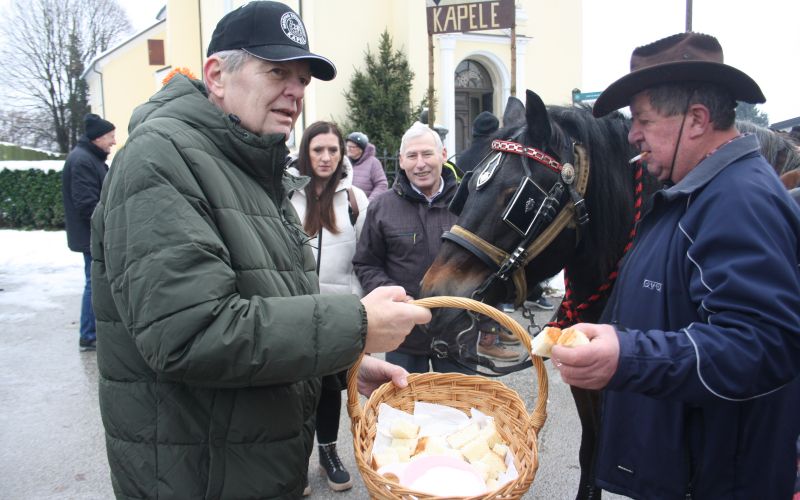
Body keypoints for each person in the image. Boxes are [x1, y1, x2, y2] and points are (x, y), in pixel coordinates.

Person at [89, 2, 431, 498]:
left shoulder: (250, 166)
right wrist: (355, 325)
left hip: (254, 466)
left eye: (302, 79)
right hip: (201, 478)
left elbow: (275, 306)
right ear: (217, 75)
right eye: (276, 72)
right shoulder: (158, 159)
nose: (295, 91)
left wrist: (345, 362)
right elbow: (190, 333)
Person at [553, 32, 800, 498]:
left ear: (698, 119)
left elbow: (762, 344)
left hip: (715, 482)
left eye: (643, 119)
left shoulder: (737, 200)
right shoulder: (700, 193)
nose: (632, 135)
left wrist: (627, 355)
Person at [287, 121, 368, 492]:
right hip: (295, 311)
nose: (325, 157)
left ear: (342, 154)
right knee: (299, 389)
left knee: (330, 387)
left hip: (338, 312)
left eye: (332, 150)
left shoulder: (355, 200)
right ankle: (297, 459)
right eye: (318, 150)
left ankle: (329, 453)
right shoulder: (285, 197)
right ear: (306, 152)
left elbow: (364, 260)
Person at [354, 122, 473, 374]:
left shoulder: (469, 203)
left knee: (461, 410)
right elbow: (366, 263)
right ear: (401, 161)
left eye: (427, 154)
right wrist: (395, 296)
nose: (420, 164)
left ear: (442, 155)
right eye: (412, 156)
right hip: (403, 334)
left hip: (459, 333)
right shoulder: (382, 207)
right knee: (404, 410)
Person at [61, 113, 115, 352]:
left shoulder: (90, 157)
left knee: (96, 282)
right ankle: (89, 335)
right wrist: (109, 227)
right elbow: (87, 204)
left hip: (92, 234)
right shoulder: (83, 160)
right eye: (110, 136)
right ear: (97, 138)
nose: (114, 141)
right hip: (91, 236)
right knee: (94, 283)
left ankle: (92, 333)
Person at [345, 131, 388, 201]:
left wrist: (369, 203)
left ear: (361, 149)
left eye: (352, 147)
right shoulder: (344, 162)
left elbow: (382, 185)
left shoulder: (373, 163)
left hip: (364, 209)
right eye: (347, 146)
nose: (348, 149)